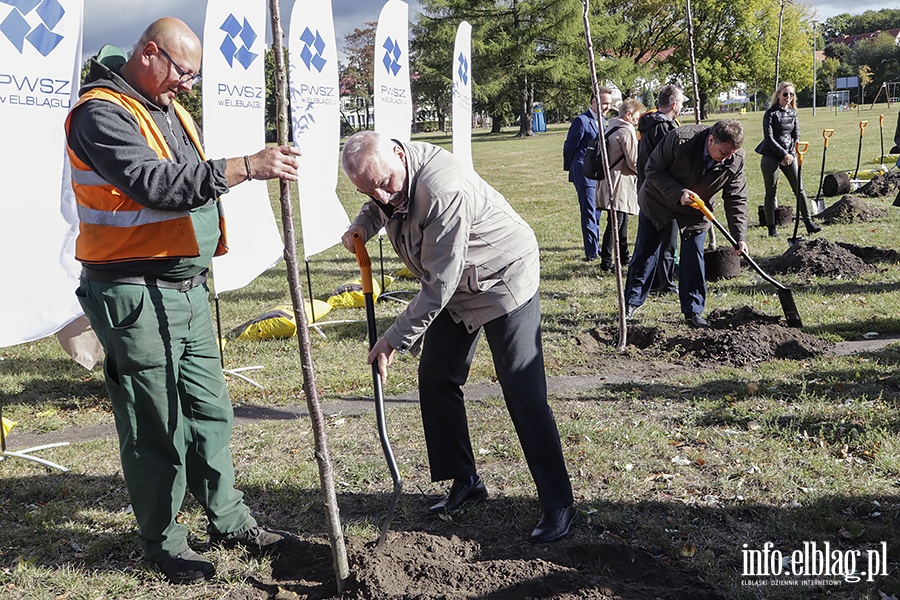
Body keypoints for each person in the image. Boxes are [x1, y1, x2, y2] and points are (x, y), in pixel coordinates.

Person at [65, 18, 301, 584]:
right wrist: (247, 166)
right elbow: (155, 183)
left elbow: (186, 177)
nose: (189, 85)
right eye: (184, 72)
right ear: (151, 54)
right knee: (155, 423)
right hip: (135, 294)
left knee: (209, 412)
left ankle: (228, 519)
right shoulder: (100, 114)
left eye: (195, 76)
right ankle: (164, 540)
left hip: (187, 291)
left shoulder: (163, 105)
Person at [340, 131, 576, 544]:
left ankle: (559, 503)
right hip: (459, 285)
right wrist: (363, 222)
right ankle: (465, 479)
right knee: (436, 376)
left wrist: (393, 339)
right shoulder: (390, 175)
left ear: (399, 154)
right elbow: (383, 204)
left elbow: (439, 285)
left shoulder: (443, 189)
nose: (381, 193)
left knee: (522, 387)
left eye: (384, 182)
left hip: (503, 278)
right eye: (367, 189)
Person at [623, 120, 749, 329]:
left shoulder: (735, 160)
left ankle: (693, 311)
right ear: (711, 140)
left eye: (731, 154)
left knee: (694, 256)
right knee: (646, 253)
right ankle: (631, 303)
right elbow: (653, 169)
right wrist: (678, 194)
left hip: (697, 209)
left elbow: (736, 199)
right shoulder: (680, 139)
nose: (726, 158)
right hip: (658, 200)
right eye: (724, 152)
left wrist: (740, 237)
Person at [637, 85, 687, 295]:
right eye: (682, 103)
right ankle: (664, 282)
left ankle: (653, 280)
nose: (683, 106)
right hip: (663, 192)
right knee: (667, 240)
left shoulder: (649, 124)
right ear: (674, 105)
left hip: (647, 189)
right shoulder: (663, 129)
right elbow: (669, 163)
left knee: (650, 240)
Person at [754, 81, 821, 237]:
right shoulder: (770, 113)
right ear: (778, 95)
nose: (788, 97)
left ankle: (809, 223)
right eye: (785, 94)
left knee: (800, 189)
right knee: (771, 192)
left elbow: (796, 135)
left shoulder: (793, 113)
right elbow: (769, 139)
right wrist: (783, 154)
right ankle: (771, 228)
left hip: (790, 156)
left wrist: (791, 154)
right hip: (771, 156)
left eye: (791, 94)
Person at [563, 87, 613, 261]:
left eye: (609, 103)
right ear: (594, 101)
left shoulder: (604, 121)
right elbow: (570, 146)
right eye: (604, 103)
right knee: (589, 211)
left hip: (598, 172)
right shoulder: (581, 121)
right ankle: (592, 252)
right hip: (583, 172)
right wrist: (573, 169)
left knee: (598, 210)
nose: (607, 107)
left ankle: (596, 246)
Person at [596, 98, 645, 271]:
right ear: (628, 114)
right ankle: (607, 260)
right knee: (616, 222)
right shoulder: (626, 130)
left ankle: (623, 256)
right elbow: (633, 160)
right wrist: (644, 173)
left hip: (608, 177)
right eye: (636, 116)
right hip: (619, 180)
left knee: (619, 220)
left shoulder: (611, 126)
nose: (637, 120)